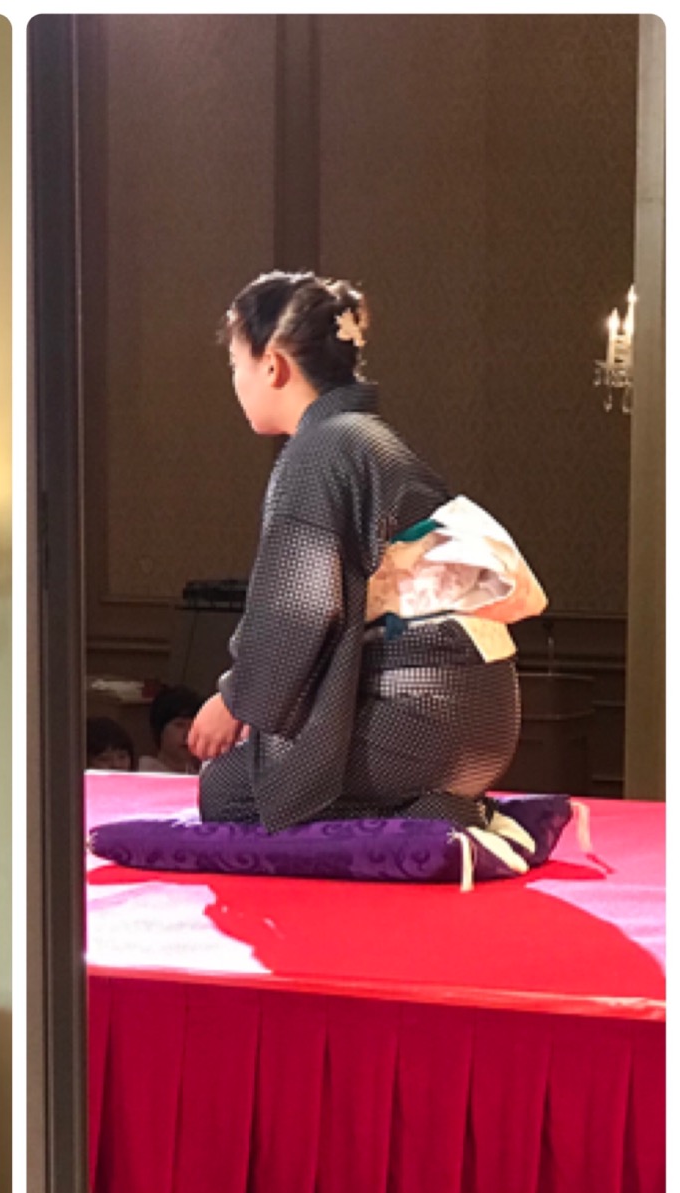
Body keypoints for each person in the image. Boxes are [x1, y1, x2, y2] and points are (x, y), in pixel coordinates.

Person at [190, 271, 522, 832]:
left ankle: (426, 814)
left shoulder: (322, 450)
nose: (236, 379)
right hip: (480, 717)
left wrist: (235, 699)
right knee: (259, 775)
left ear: (272, 366)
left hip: (424, 718)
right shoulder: (367, 438)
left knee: (227, 792)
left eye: (236, 363)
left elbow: (302, 607)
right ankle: (429, 811)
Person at [140, 685, 202, 775]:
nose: (188, 734)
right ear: (159, 730)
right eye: (179, 725)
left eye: (193, 726)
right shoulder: (144, 774)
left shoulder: (204, 775)